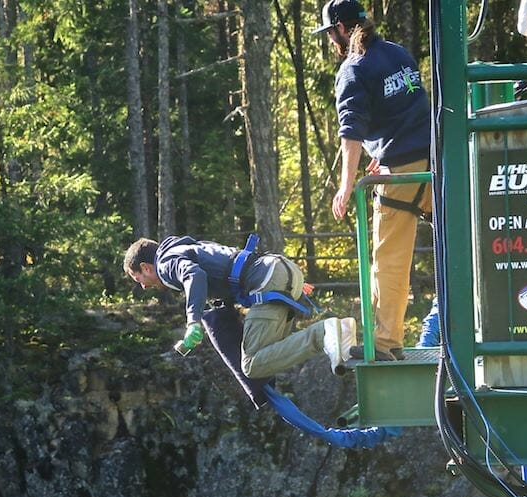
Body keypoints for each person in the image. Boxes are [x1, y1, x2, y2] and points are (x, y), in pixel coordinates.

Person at [312, 0, 432, 361]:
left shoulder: (353, 69)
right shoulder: (398, 54)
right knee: (460, 246)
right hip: (436, 164)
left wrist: (346, 185)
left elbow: (350, 132)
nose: (331, 41)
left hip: (400, 174)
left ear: (341, 30)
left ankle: (384, 342)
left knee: (388, 261)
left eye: (331, 34)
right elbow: (406, 111)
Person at [123, 235, 357, 378]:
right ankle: (344, 335)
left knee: (252, 364)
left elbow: (194, 275)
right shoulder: (188, 248)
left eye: (138, 280)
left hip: (267, 282)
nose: (143, 287)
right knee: (271, 351)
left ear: (146, 268)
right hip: (283, 270)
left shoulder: (165, 264)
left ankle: (324, 332)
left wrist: (193, 322)